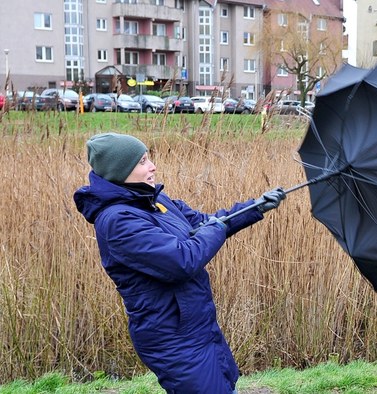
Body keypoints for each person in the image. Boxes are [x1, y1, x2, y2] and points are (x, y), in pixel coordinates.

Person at [73, 132, 285, 394]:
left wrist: (256, 207)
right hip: (172, 337)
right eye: (142, 162)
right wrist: (215, 228)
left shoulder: (155, 201)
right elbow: (181, 261)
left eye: (148, 158)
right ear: (120, 171)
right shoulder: (118, 221)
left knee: (226, 385)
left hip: (198, 324)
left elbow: (204, 224)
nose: (152, 167)